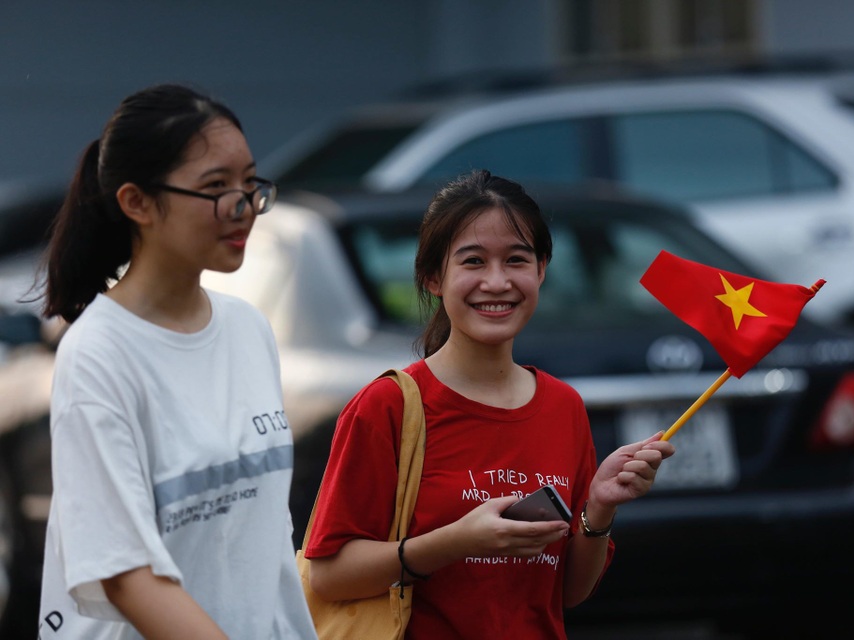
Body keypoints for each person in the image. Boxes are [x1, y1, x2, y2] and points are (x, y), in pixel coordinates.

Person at [303, 169, 676, 638]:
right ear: (434, 277)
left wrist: (598, 509)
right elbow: (329, 575)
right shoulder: (389, 405)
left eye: (517, 260)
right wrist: (456, 542)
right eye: (473, 261)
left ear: (541, 270)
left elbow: (566, 594)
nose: (497, 282)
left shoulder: (563, 406)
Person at [36, 83, 316, 639]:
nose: (243, 206)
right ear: (137, 202)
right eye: (216, 187)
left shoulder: (247, 328)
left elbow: (261, 545)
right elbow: (126, 574)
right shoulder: (99, 354)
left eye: (249, 183)